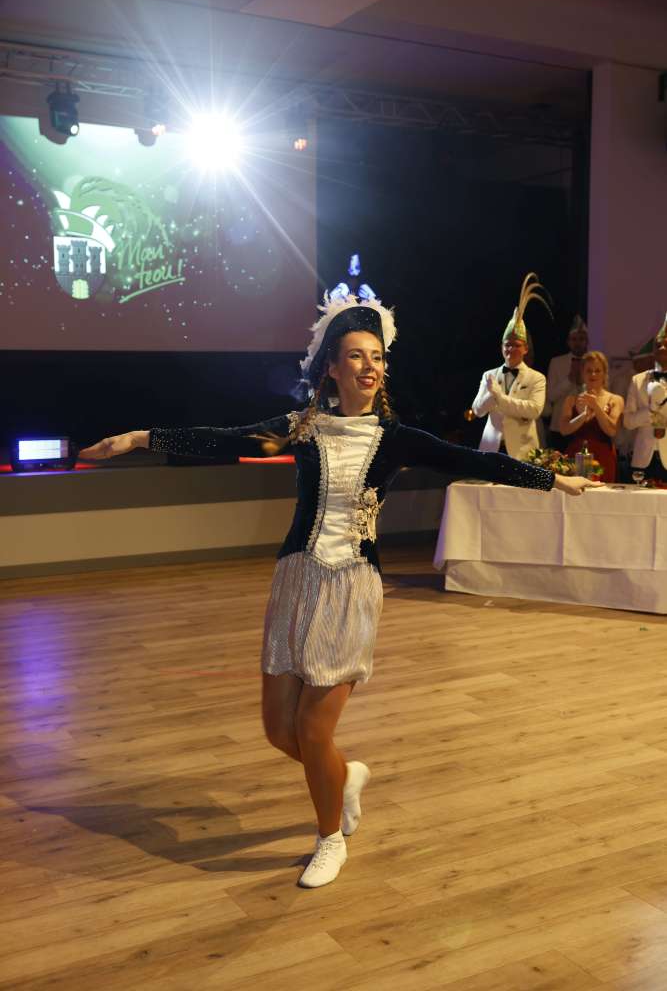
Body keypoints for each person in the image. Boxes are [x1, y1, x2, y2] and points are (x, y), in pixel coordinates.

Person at [80, 293, 596, 889]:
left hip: (352, 588)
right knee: (280, 731)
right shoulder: (299, 429)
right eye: (355, 356)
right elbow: (225, 439)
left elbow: (471, 461)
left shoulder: (396, 438)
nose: (369, 366)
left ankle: (330, 839)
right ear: (331, 366)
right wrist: (139, 438)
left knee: (313, 730)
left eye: (377, 356)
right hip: (296, 582)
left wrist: (551, 479)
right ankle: (345, 776)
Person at [472, 273, 549, 460]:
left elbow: (534, 410)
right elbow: (477, 410)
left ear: (525, 349)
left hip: (523, 451)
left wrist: (500, 398)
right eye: (507, 344)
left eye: (516, 345)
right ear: (501, 347)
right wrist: (491, 396)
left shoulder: (537, 378)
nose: (510, 349)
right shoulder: (489, 375)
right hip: (492, 448)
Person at [558, 350, 624, 482]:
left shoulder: (615, 399)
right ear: (582, 373)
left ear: (604, 373)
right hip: (575, 457)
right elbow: (564, 430)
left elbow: (611, 430)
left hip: (603, 457)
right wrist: (583, 416)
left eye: (597, 370)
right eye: (589, 371)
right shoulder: (571, 399)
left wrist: (596, 407)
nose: (593, 374)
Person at [624, 316, 667, 482]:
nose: (662, 348)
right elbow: (628, 422)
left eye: (666, 344)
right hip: (642, 459)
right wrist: (651, 412)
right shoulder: (638, 380)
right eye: (658, 345)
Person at [544, 314, 589, 450]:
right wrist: (569, 379)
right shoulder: (557, 362)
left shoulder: (594, 362)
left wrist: (582, 382)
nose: (577, 343)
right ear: (568, 342)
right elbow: (551, 396)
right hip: (559, 426)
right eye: (574, 339)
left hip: (586, 425)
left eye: (581, 339)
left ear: (587, 341)